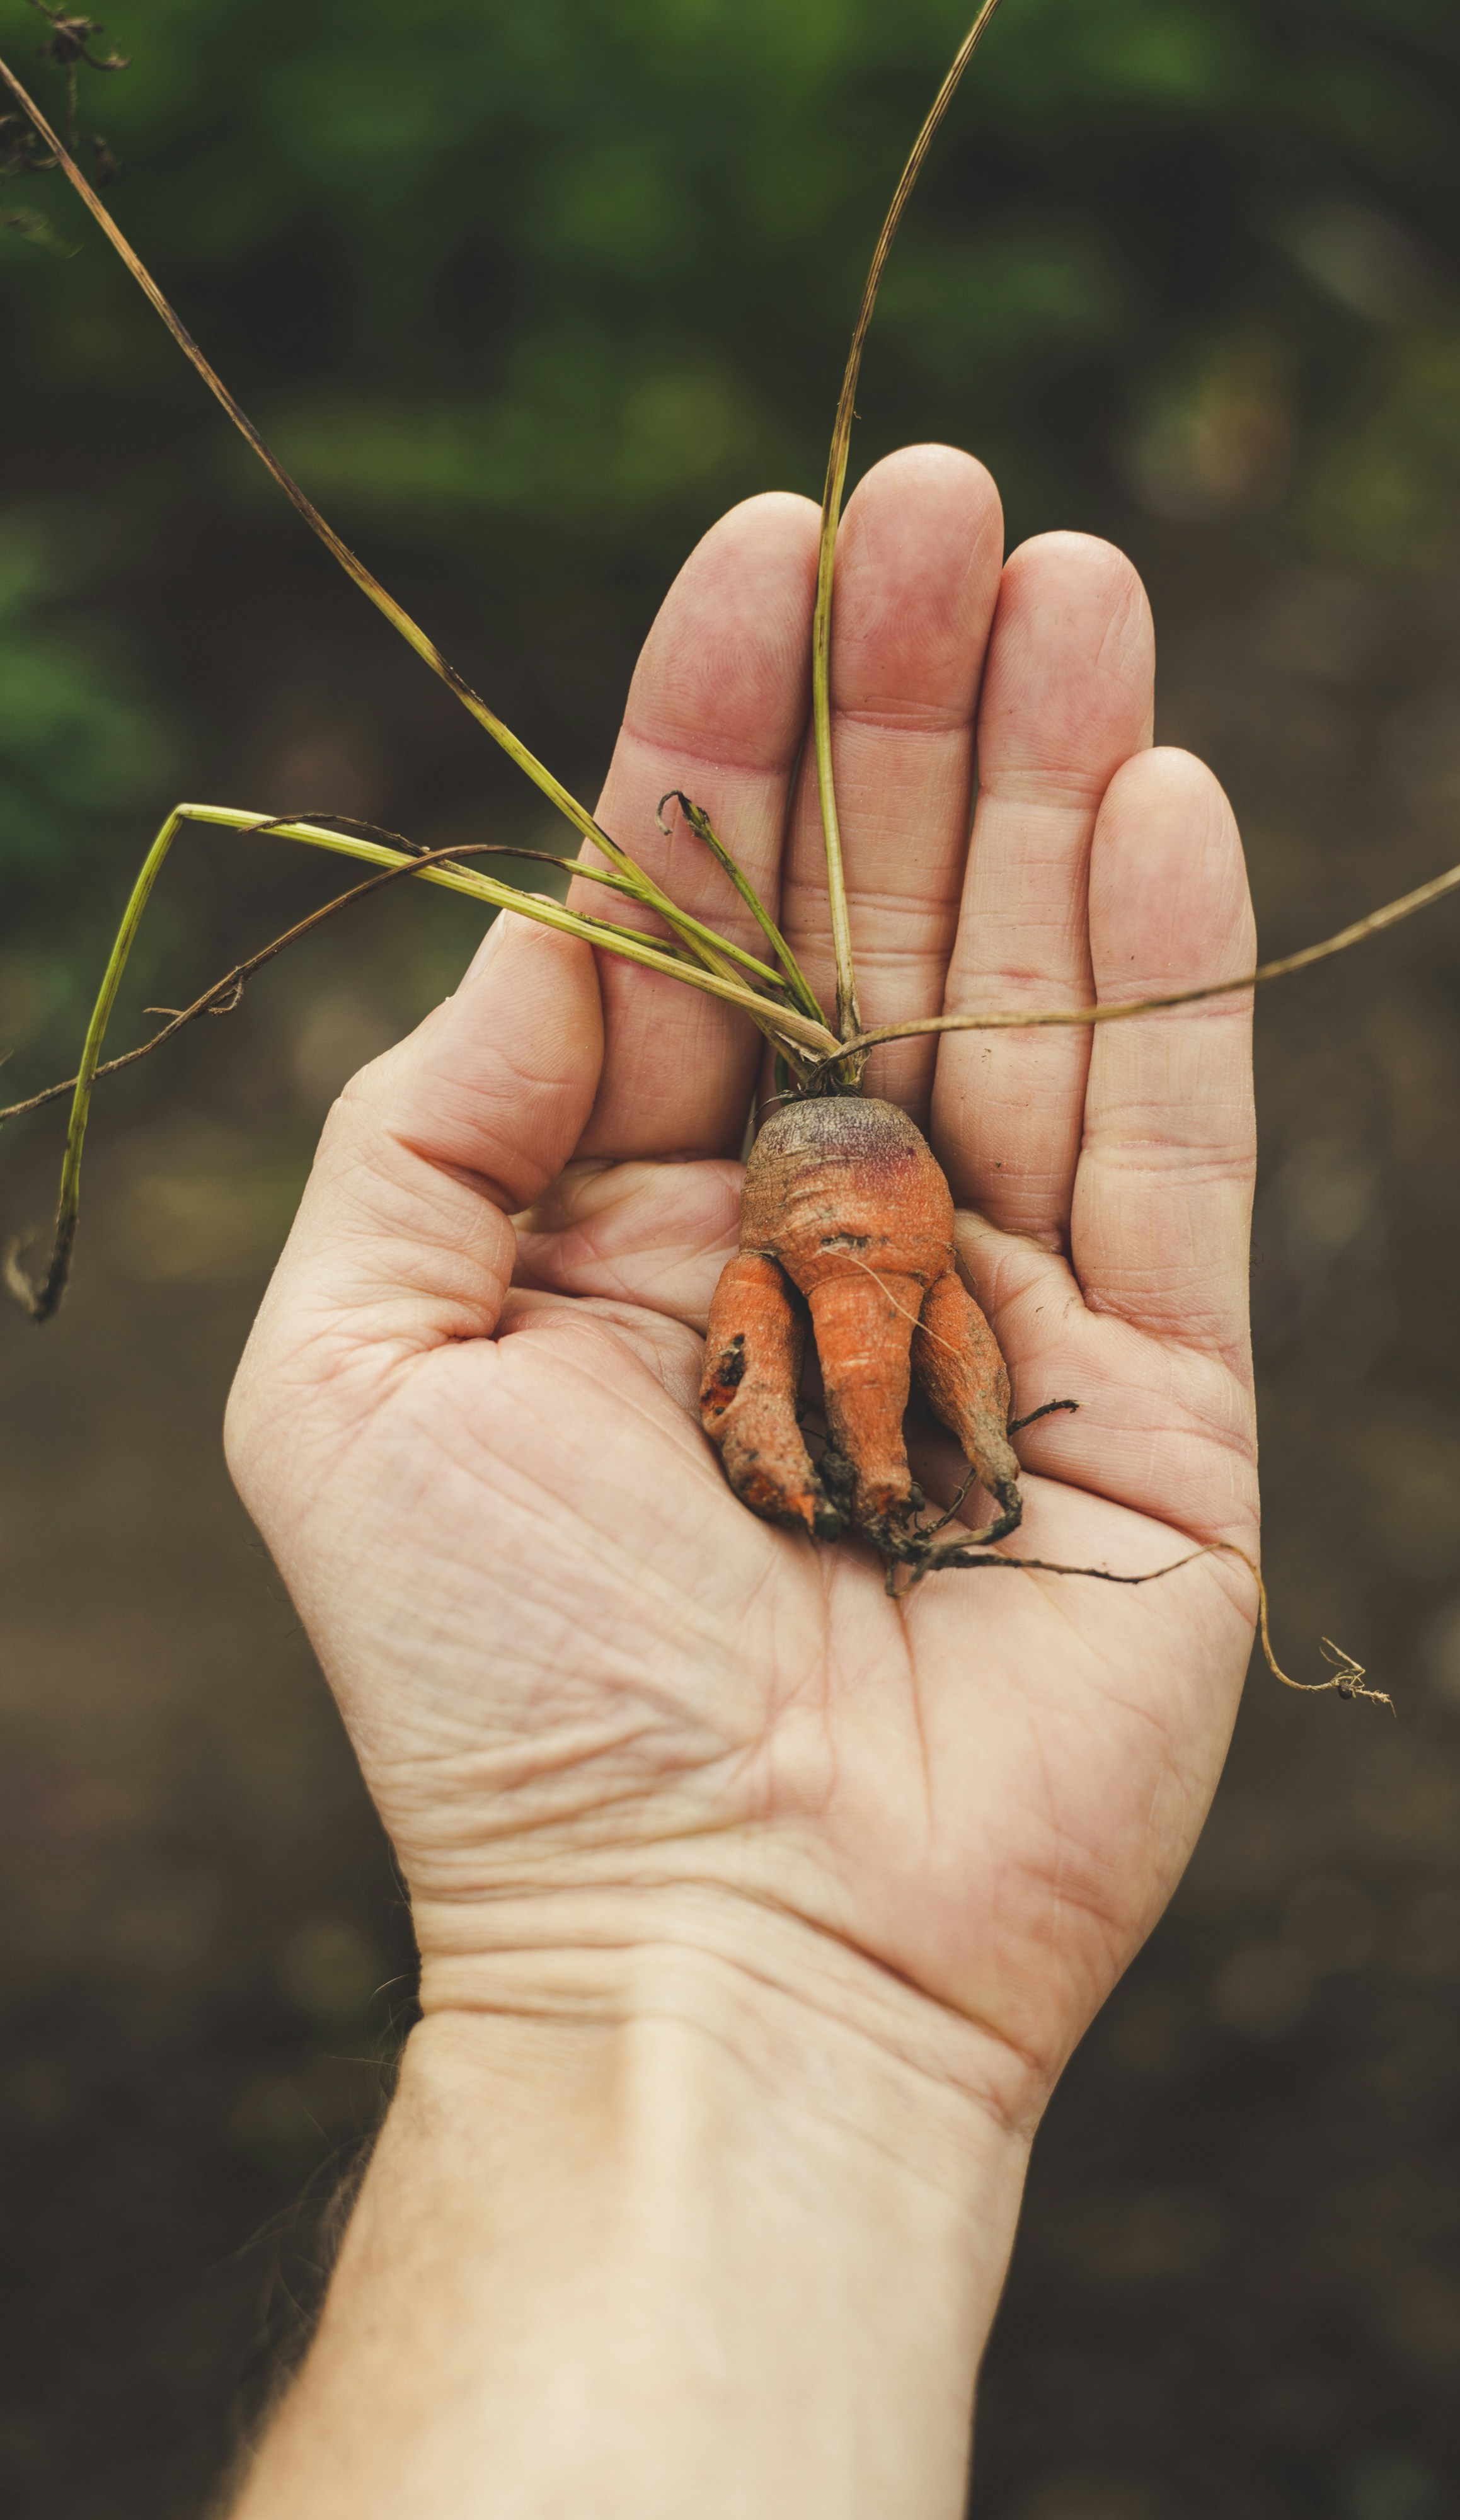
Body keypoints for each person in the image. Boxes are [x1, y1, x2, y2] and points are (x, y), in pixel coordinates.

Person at [222, 443, 1259, 2518]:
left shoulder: (881, 1209)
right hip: (827, 1185)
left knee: (881, 1337)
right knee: (862, 1349)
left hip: (858, 1186)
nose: (888, 1355)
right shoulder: (794, 1202)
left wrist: (667, 1964)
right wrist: (694, 1939)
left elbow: (867, 1313)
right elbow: (797, 1330)